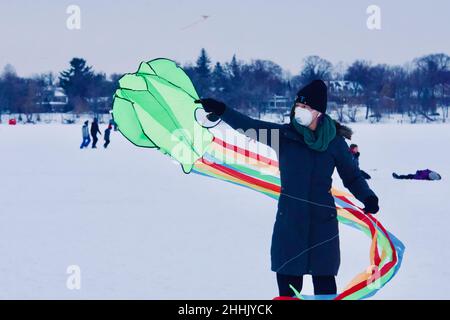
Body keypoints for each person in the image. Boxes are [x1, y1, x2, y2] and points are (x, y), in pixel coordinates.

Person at [195, 80, 379, 297]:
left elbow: (352, 176)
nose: (299, 111)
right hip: (290, 222)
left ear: (318, 111)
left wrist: (368, 197)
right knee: (288, 291)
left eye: (305, 107)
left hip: (323, 224)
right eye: (297, 106)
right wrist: (222, 110)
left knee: (325, 290)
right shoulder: (284, 136)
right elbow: (249, 126)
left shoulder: (335, 143)